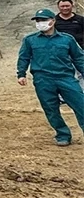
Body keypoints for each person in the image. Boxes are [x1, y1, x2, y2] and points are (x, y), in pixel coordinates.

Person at [16, 9, 84, 146]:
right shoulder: (30, 40)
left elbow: (79, 58)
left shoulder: (67, 39)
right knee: (51, 109)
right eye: (38, 20)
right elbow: (24, 57)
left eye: (43, 20)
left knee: (80, 105)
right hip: (43, 79)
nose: (40, 23)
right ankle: (63, 135)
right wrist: (21, 73)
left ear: (53, 21)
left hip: (65, 77)